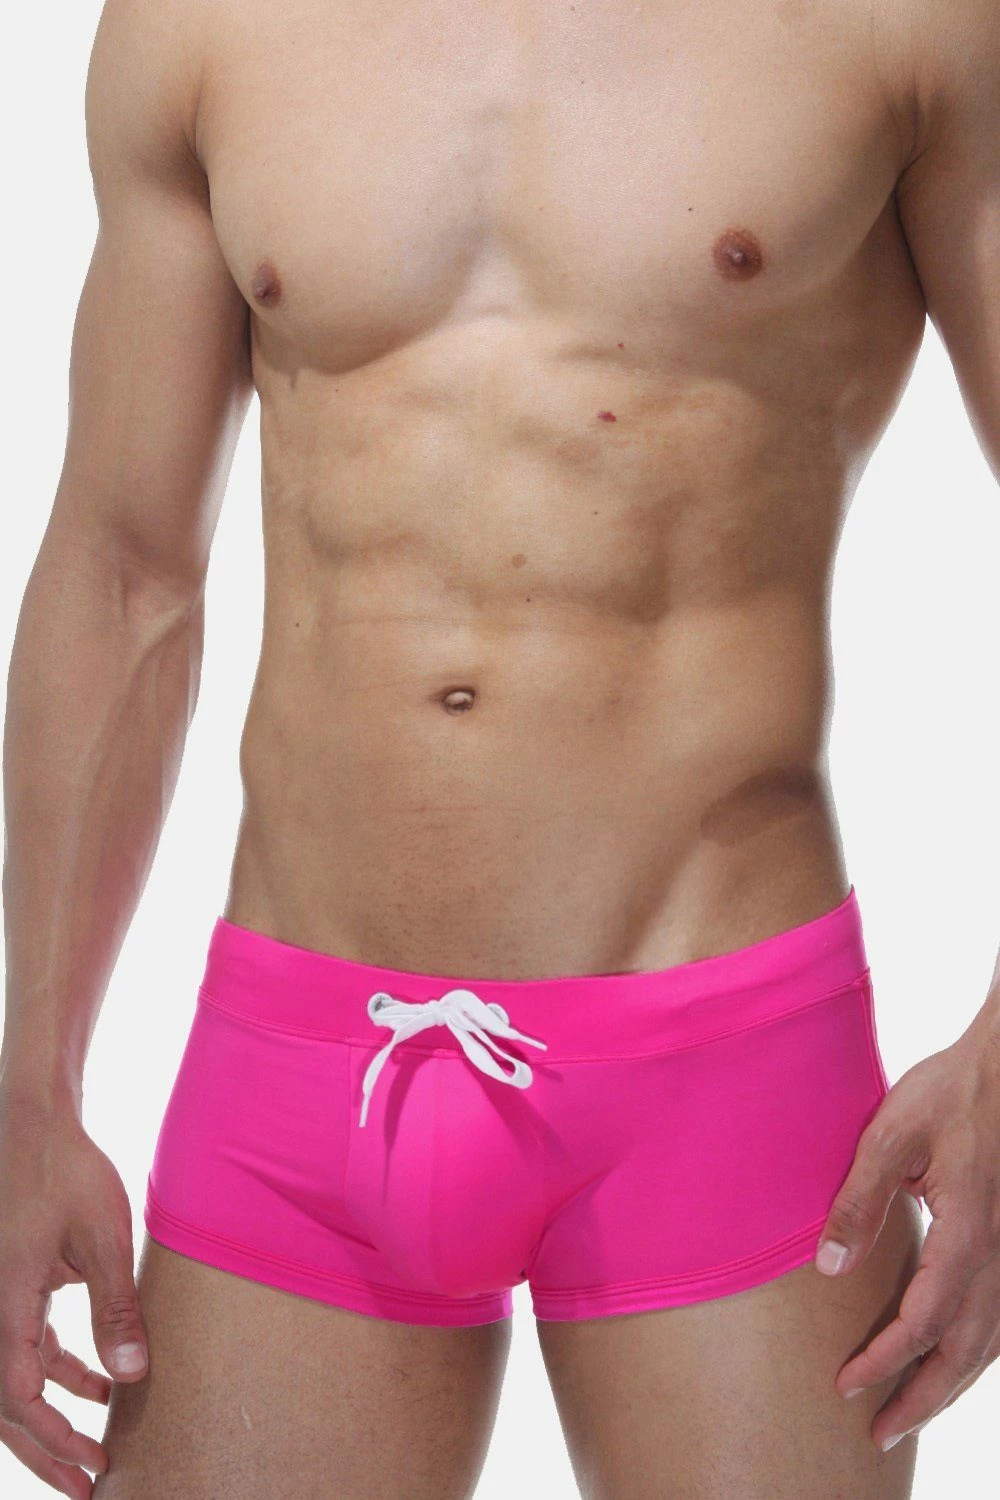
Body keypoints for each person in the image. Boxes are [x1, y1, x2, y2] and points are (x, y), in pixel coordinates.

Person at [1, 0, 999, 1495]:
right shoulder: (201, 23)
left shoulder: (900, 22)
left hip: (721, 1064)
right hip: (305, 1056)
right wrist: (33, 1088)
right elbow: (126, 572)